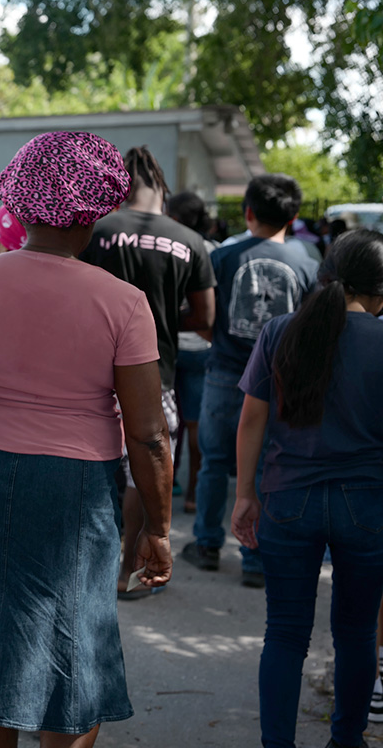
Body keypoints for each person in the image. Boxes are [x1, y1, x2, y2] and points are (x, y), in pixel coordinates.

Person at [0, 131, 172, 747]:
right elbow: (149, 435)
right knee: (75, 644)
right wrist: (156, 527)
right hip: (77, 489)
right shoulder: (124, 304)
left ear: (17, 199)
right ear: (96, 208)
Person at [230, 229, 383, 748]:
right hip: (368, 504)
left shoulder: (280, 330)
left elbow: (251, 419)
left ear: (325, 275)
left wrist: (244, 493)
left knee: (286, 633)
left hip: (288, 500)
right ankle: (347, 740)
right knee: (357, 634)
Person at [79, 146, 215, 600]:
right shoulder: (190, 241)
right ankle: (126, 569)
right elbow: (206, 318)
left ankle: (80, 563)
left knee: (89, 463)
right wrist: (162, 317)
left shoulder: (97, 232)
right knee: (144, 469)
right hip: (158, 373)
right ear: (162, 188)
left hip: (91, 373)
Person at [182, 173, 320, 587]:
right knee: (265, 468)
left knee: (213, 462)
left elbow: (206, 318)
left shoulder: (223, 257)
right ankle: (255, 556)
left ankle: (207, 543)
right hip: (280, 380)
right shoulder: (307, 265)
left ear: (248, 212)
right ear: (293, 216)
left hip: (227, 371)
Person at [165, 191, 219, 513]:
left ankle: (163, 483)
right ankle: (194, 495)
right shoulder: (212, 250)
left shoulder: (166, 243)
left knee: (166, 422)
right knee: (196, 423)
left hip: (169, 345)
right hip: (202, 346)